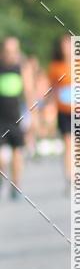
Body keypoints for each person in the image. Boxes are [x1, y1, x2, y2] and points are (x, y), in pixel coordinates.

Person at [0, 36, 32, 199]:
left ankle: (16, 184)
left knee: (17, 153)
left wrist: (32, 117)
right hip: (0, 119)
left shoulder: (21, 68)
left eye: (15, 51)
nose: (12, 55)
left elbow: (28, 92)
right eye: (8, 51)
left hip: (16, 118)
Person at [48, 35, 73, 191]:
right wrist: (50, 109)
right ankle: (69, 177)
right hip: (63, 110)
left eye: (69, 45)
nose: (66, 48)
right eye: (64, 45)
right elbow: (52, 90)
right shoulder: (55, 67)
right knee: (68, 144)